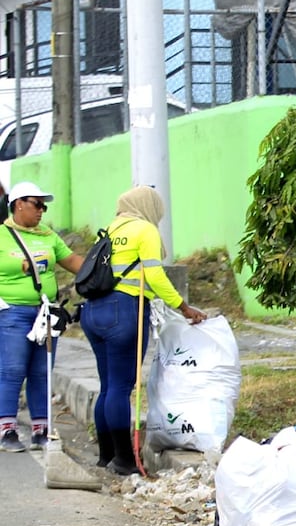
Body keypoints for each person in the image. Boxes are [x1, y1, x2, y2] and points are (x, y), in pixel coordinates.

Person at [80, 186, 207, 475]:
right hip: (123, 310)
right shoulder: (145, 230)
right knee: (121, 388)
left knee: (108, 386)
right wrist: (183, 307)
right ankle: (125, 460)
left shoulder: (111, 229)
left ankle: (106, 455)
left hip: (93, 311)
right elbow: (155, 276)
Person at [0, 182, 84, 452]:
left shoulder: (48, 236)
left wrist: (103, 274)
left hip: (45, 313)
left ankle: (41, 430)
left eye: (44, 206)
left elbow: (73, 263)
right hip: (12, 312)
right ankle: (7, 430)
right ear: (18, 204)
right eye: (37, 204)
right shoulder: (2, 235)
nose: (41, 211)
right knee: (12, 370)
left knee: (41, 371)